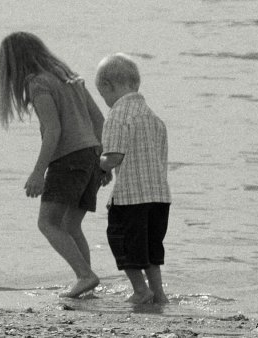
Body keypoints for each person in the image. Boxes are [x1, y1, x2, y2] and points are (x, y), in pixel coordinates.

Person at [0, 32, 108, 298]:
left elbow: (53, 130)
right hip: (90, 154)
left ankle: (85, 275)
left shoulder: (38, 84)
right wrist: (104, 164)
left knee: (47, 223)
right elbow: (99, 121)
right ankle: (87, 286)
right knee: (70, 225)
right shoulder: (70, 78)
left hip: (68, 159)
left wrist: (38, 173)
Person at [96, 53, 171, 304]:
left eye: (102, 94)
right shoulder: (154, 118)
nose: (105, 101)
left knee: (124, 244)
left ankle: (140, 290)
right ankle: (159, 293)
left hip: (131, 197)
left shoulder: (118, 115)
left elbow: (114, 156)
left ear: (107, 86)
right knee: (151, 248)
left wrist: (100, 164)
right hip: (159, 197)